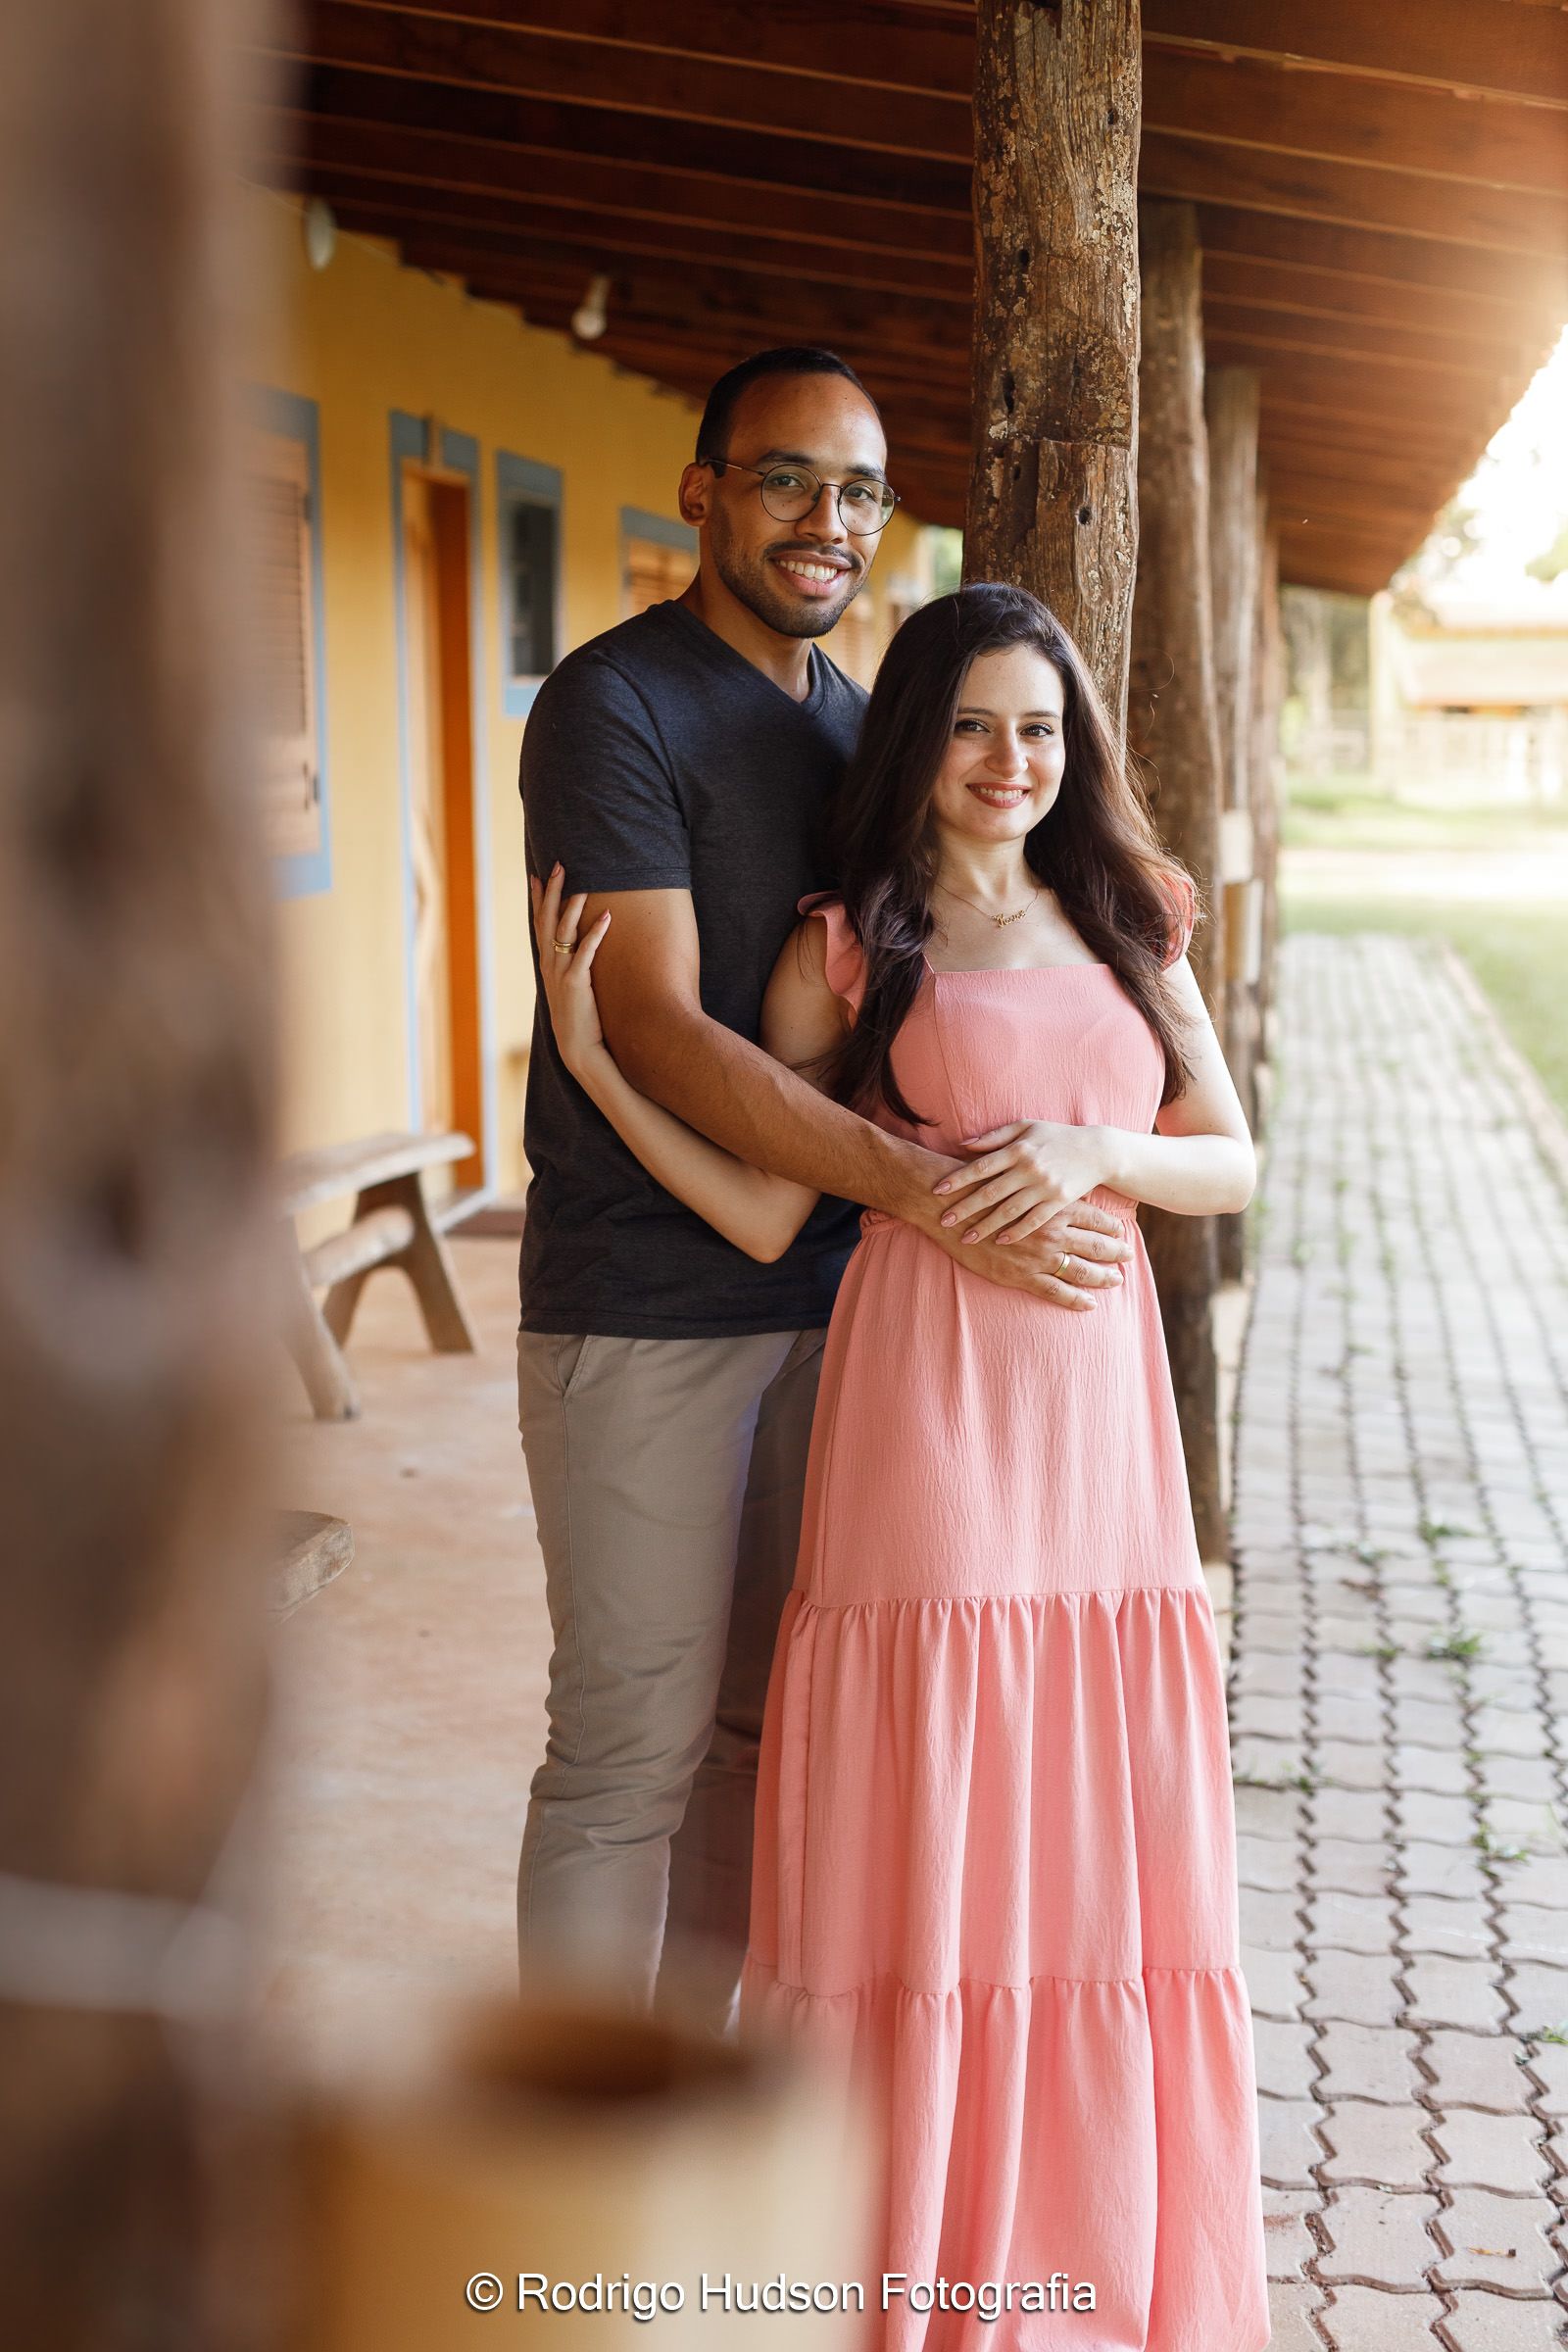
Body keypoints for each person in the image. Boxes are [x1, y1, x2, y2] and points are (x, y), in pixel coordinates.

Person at [529, 581, 1270, 2350]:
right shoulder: (853, 940)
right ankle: (899, 2241)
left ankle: (1069, 2240)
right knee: (939, 1787)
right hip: (927, 1409)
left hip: (1097, 1428)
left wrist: (1101, 1145)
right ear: (913, 741)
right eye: (969, 725)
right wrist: (601, 1073)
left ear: (1072, 745)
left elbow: (1227, 1162)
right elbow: (774, 1199)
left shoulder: (1128, 915)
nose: (1010, 760)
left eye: (1040, 727)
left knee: (1086, 1809)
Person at [514, 347, 1134, 2038]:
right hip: (648, 1307)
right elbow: (649, 1017)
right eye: (787, 477)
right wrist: (916, 1192)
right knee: (626, 1752)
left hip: (843, 1318)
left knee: (764, 1745)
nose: (827, 520)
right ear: (702, 490)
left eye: (859, 490)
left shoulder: (867, 728)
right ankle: (572, 2209)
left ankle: (700, 2137)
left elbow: (902, 990)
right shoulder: (612, 704)